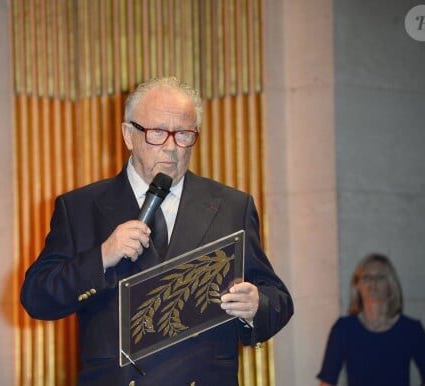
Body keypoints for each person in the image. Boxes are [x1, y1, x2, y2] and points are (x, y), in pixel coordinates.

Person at [20, 76, 294, 386]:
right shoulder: (81, 207)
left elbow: (278, 299)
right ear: (128, 135)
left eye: (184, 135)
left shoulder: (232, 205)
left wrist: (257, 305)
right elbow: (37, 298)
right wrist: (101, 257)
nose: (172, 148)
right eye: (158, 133)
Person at [317, 253, 425, 386]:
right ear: (358, 286)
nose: (372, 282)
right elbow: (327, 382)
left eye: (380, 277)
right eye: (366, 277)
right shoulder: (343, 329)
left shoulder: (411, 330)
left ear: (390, 285)